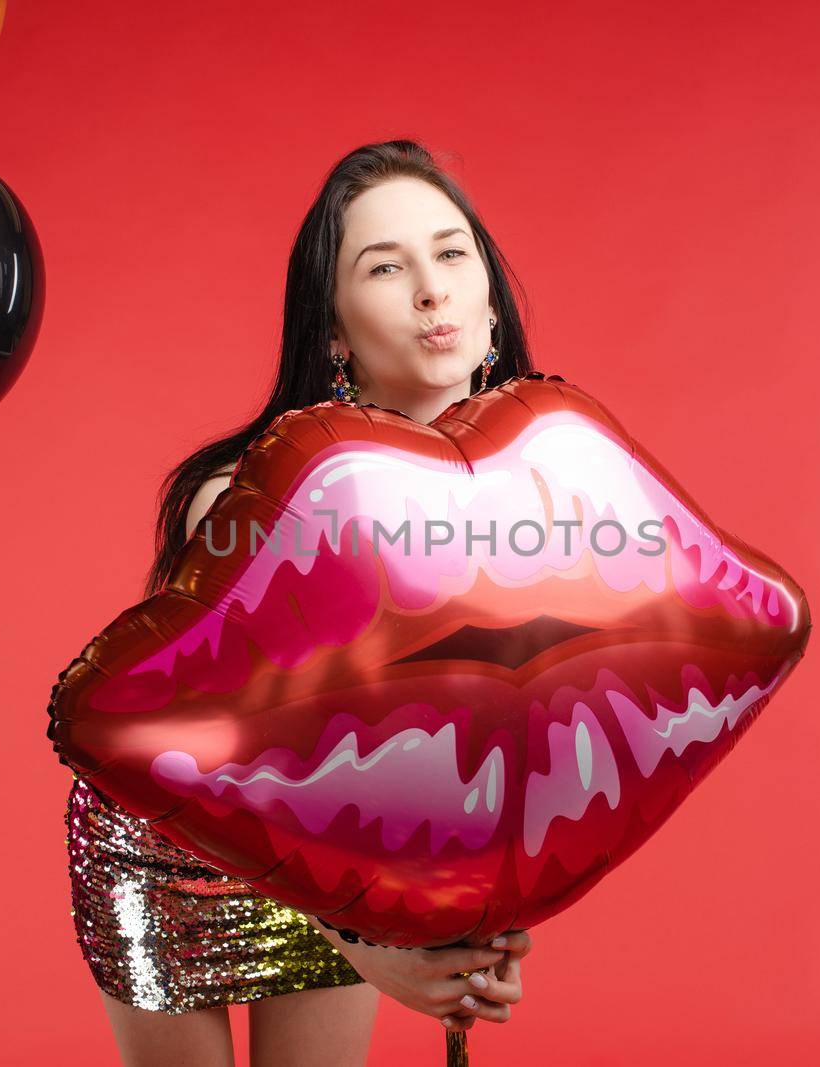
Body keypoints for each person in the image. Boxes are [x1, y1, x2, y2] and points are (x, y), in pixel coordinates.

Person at [65, 139, 539, 1066]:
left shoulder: (524, 503)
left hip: (340, 850)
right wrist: (378, 944)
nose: (431, 290)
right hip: (177, 838)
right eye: (384, 266)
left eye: (451, 254)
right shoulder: (245, 501)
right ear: (332, 330)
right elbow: (239, 777)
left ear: (489, 305)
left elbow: (470, 736)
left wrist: (482, 919)